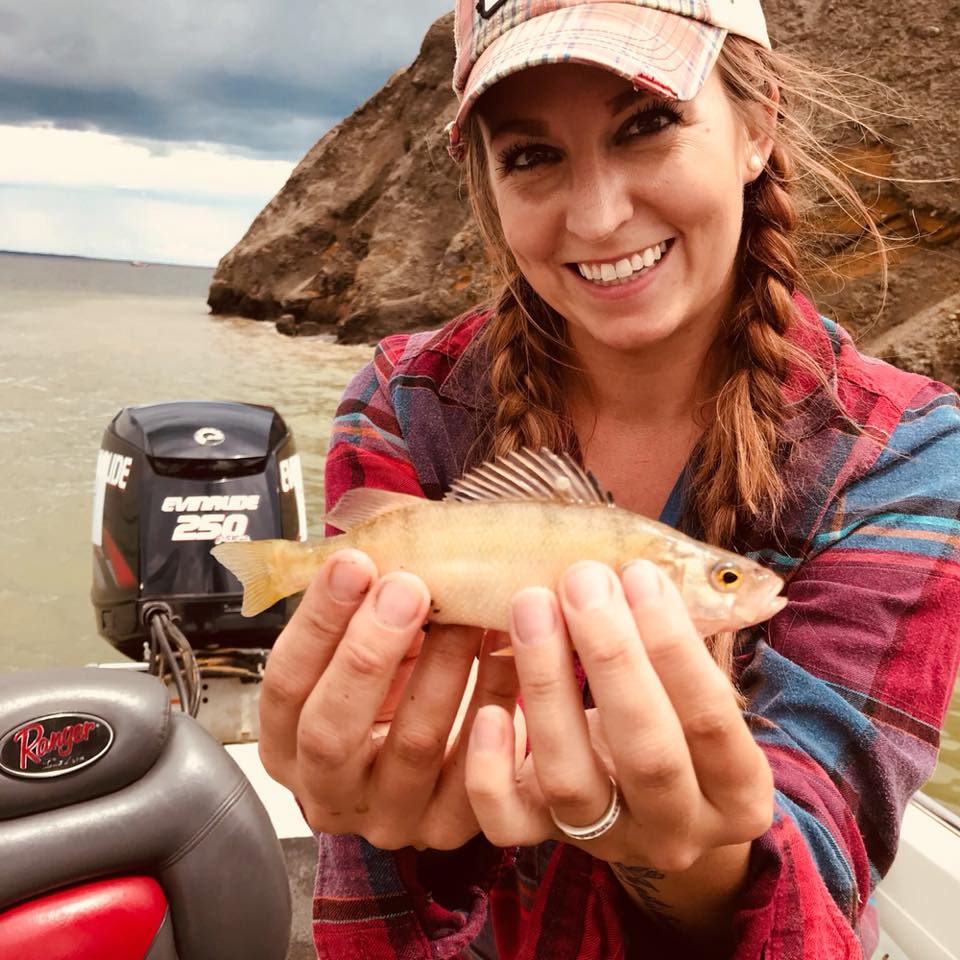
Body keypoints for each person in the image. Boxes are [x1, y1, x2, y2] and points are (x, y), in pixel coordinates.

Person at [258, 1, 960, 957]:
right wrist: (347, 783)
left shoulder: (906, 450)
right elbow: (380, 873)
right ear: (487, 185)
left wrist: (693, 858)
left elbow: (822, 855)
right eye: (531, 157)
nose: (597, 216)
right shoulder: (403, 397)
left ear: (756, 128)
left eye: (647, 124)